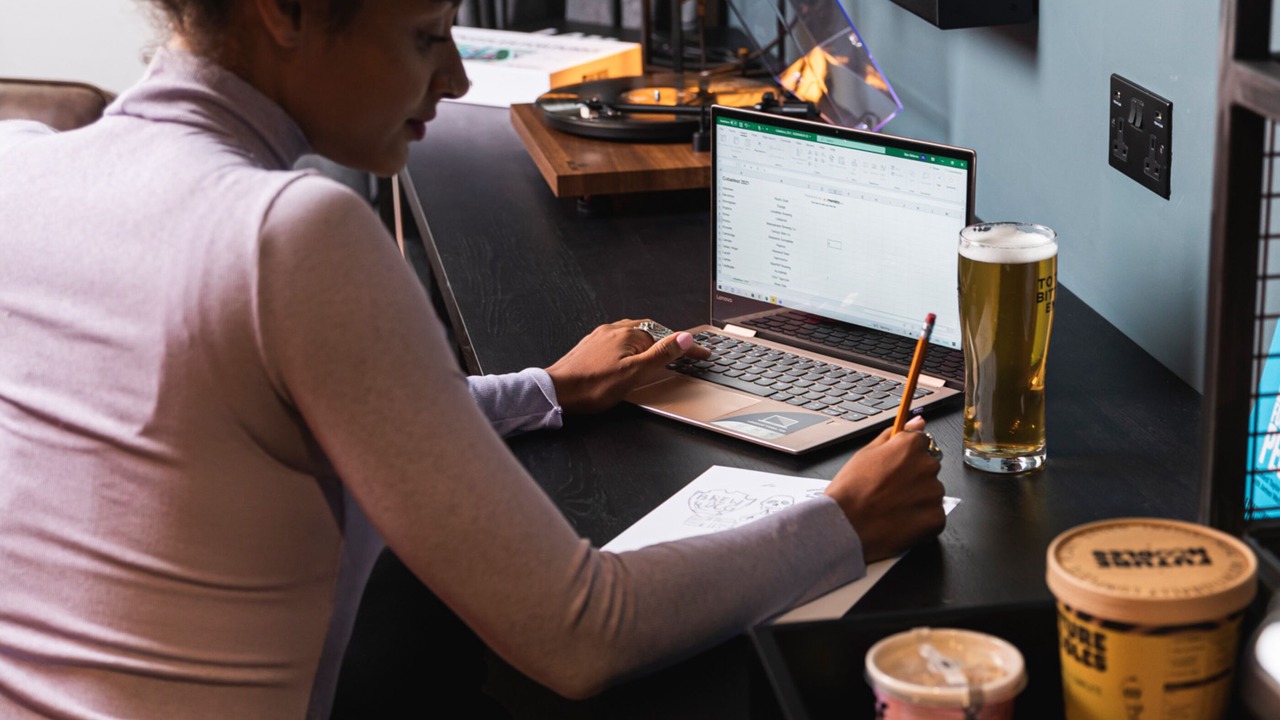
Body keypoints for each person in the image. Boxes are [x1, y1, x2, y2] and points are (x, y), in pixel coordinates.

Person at [0, 0, 946, 717]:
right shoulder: (294, 233)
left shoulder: (21, 163)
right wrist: (846, 521)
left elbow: (255, 400)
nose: (453, 79)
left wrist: (545, 390)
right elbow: (580, 630)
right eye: (424, 35)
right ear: (281, 14)